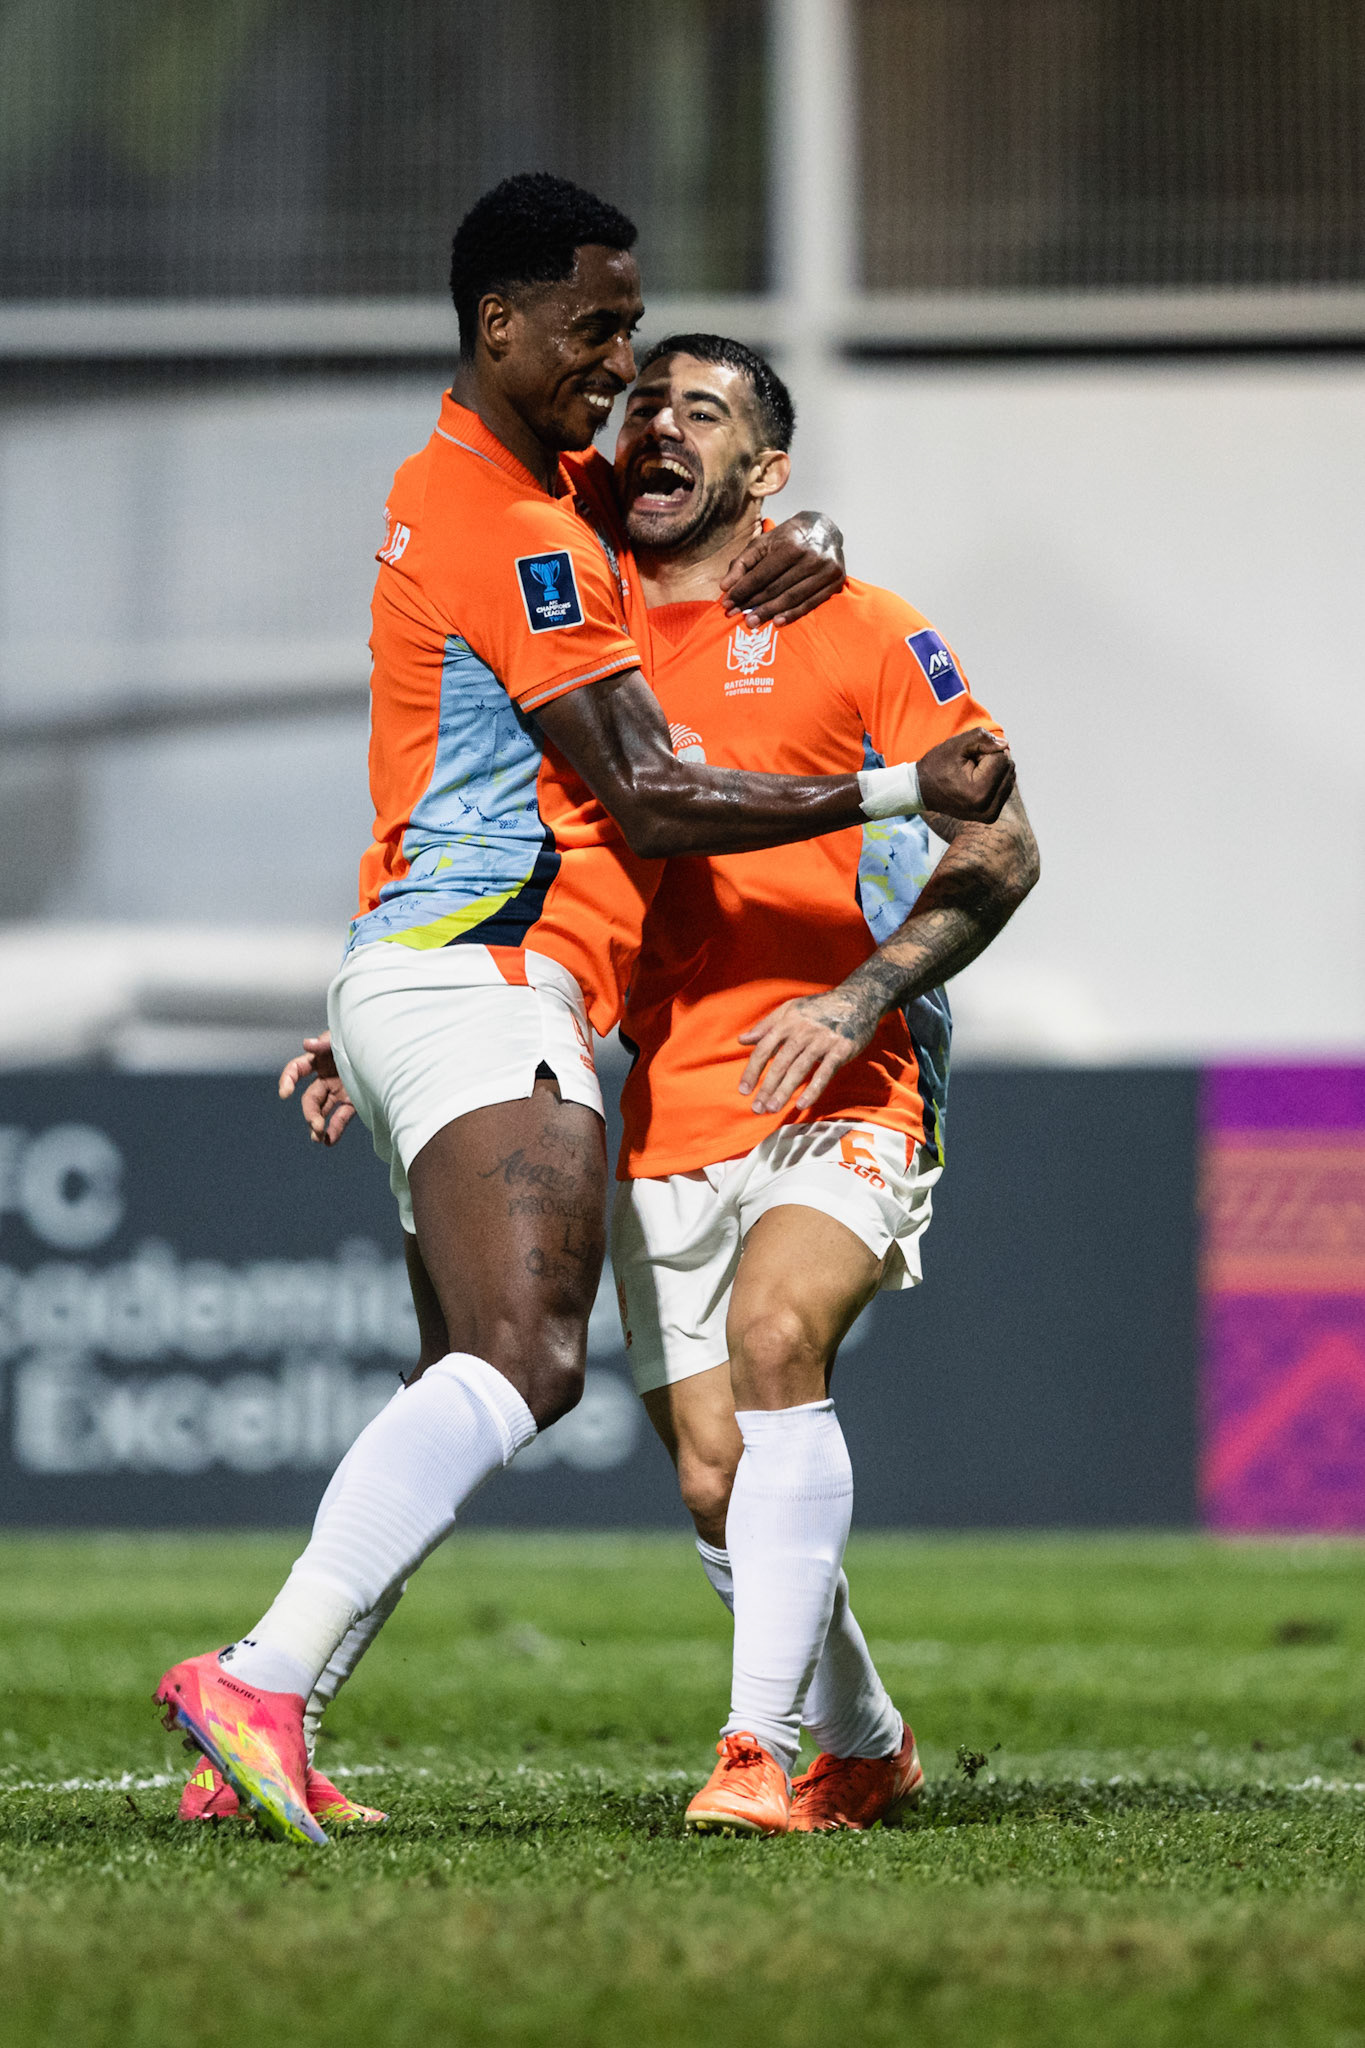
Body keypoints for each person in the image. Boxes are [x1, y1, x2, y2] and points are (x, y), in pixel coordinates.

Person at [154, 175, 1013, 1848]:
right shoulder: (526, 527)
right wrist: (896, 778)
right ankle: (263, 1673)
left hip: (453, 982)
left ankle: (287, 1724)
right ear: (501, 322)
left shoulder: (521, 497)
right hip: (495, 987)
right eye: (607, 336)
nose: (625, 383)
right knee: (519, 1364)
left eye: (665, 371)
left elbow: (624, 570)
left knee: (519, 1381)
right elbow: (650, 793)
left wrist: (795, 547)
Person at [601, 337, 1038, 1833]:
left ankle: (753, 1750)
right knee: (718, 1487)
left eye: (699, 411)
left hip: (840, 1075)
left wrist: (863, 991)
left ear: (765, 471)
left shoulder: (857, 625)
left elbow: (1001, 844)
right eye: (640, 403)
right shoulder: (568, 629)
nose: (656, 425)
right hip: (662, 1098)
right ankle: (865, 1743)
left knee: (779, 1333)